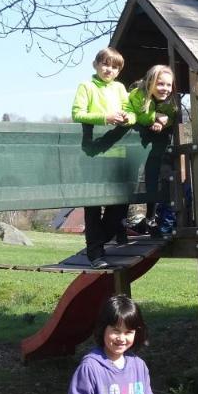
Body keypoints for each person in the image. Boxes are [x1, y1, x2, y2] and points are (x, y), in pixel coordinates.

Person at [72, 47, 135, 268]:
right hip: (92, 154)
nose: (110, 70)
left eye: (115, 67)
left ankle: (103, 238)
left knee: (119, 203)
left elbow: (132, 111)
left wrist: (128, 117)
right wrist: (105, 117)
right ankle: (95, 254)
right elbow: (77, 113)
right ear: (96, 65)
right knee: (93, 205)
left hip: (117, 153)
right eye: (106, 64)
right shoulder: (86, 87)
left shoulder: (119, 88)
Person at [125, 64, 179, 236]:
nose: (165, 89)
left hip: (157, 146)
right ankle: (122, 220)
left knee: (155, 179)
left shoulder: (170, 101)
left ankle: (152, 218)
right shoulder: (138, 94)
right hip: (135, 143)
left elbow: (171, 116)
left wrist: (164, 121)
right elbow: (138, 114)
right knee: (131, 179)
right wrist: (154, 117)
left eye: (168, 85)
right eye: (160, 84)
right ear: (150, 83)